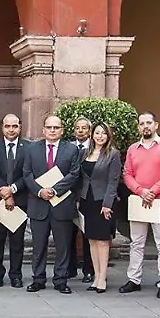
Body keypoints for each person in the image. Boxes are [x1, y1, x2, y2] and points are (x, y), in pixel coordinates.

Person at [119, 112, 160, 298]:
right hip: (139, 201)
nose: (145, 126)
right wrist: (141, 191)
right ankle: (134, 279)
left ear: (156, 125)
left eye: (149, 123)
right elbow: (127, 174)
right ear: (138, 127)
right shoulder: (132, 149)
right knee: (136, 242)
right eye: (142, 123)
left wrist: (153, 191)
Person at [23, 115, 81, 294]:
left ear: (62, 130)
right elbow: (27, 173)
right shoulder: (32, 149)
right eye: (49, 127)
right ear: (43, 130)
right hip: (38, 204)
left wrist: (55, 190)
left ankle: (60, 279)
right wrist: (40, 191)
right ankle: (38, 279)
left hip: (61, 204)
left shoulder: (71, 149)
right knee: (38, 246)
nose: (52, 130)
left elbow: (74, 174)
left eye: (56, 127)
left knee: (63, 245)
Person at [79, 122, 121, 292]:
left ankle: (102, 278)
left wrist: (107, 204)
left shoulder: (113, 154)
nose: (100, 136)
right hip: (86, 200)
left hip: (103, 202)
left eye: (103, 133)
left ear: (108, 135)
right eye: (97, 133)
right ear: (92, 134)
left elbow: (113, 181)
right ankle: (95, 277)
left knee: (103, 241)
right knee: (92, 240)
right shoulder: (85, 152)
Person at [0, 113, 28, 288]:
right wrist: (4, 193)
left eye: (14, 126)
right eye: (7, 126)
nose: (11, 130)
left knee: (17, 241)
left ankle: (16, 275)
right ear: (2, 127)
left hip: (19, 201)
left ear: (20, 127)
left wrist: (12, 190)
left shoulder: (28, 148)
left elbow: (28, 174)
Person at [68, 117, 94, 283]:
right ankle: (70, 268)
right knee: (68, 234)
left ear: (89, 131)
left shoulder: (95, 147)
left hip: (87, 196)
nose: (80, 131)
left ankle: (89, 270)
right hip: (68, 196)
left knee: (87, 234)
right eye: (77, 128)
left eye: (84, 128)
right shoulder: (68, 148)